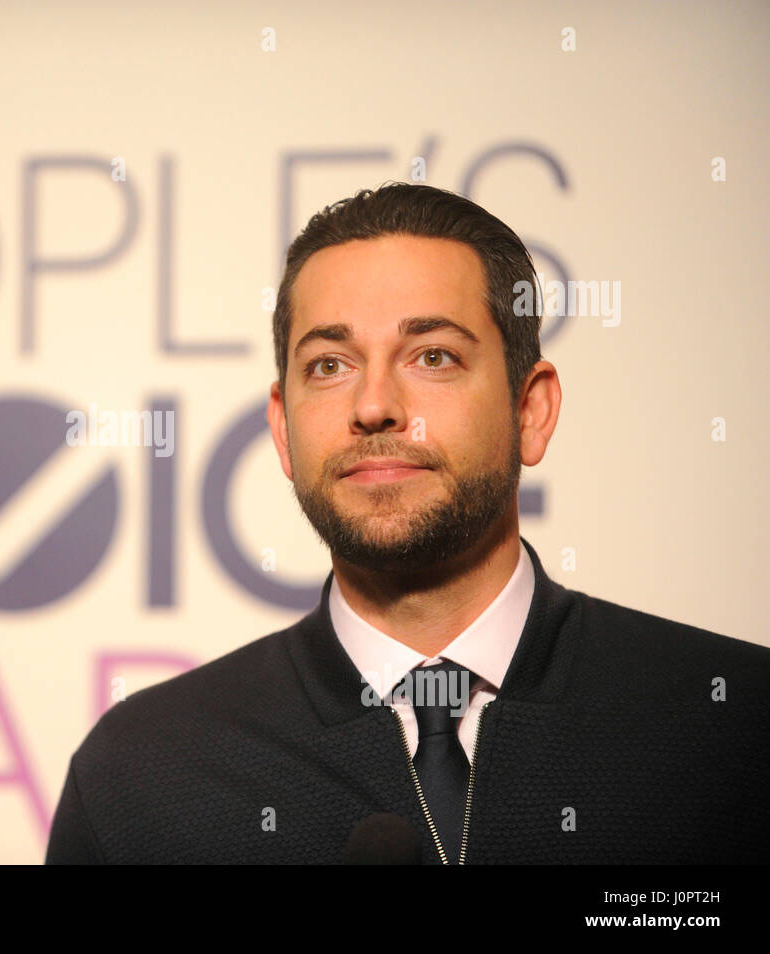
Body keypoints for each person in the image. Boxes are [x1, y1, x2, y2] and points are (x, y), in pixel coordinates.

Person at [44, 182, 770, 864]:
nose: (374, 405)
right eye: (329, 364)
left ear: (531, 410)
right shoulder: (141, 776)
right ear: (282, 427)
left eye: (433, 355)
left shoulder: (735, 728)